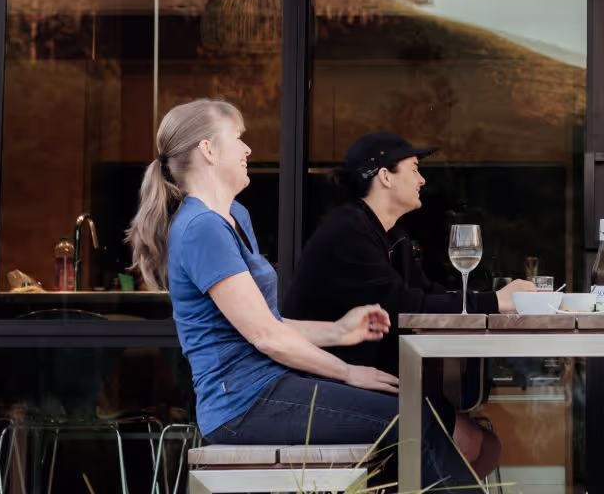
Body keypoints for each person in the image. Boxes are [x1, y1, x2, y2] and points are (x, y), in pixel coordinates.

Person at [125, 100, 476, 488]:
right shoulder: (202, 228)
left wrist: (339, 331)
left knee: (417, 417)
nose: (247, 149)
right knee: (413, 422)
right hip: (242, 404)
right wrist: (348, 372)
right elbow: (266, 337)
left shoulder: (234, 216)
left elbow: (269, 323)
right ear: (208, 149)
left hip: (270, 387)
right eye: (238, 138)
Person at [284, 130, 536, 477]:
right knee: (472, 444)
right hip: (329, 386)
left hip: (381, 380)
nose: (422, 179)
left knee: (484, 445)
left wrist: (491, 302)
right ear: (385, 177)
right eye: (414, 168)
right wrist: (496, 301)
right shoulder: (346, 232)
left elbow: (426, 294)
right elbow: (405, 306)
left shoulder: (392, 235)